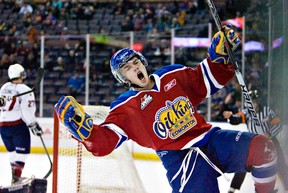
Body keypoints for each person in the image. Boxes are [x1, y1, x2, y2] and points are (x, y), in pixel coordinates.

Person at [55, 25, 278, 193]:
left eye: (135, 62)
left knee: (264, 150)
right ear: (123, 79)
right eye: (127, 69)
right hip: (180, 159)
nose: (134, 68)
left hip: (209, 139)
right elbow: (105, 141)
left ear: (142, 62)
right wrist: (84, 131)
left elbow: (205, 80)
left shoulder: (171, 74)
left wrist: (218, 58)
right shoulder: (125, 107)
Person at [224, 90, 288, 193]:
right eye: (250, 102)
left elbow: (278, 124)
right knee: (243, 164)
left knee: (281, 164)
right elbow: (237, 119)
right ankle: (232, 189)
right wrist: (230, 117)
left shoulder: (267, 111)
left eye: (254, 101)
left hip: (270, 142)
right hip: (255, 143)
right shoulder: (246, 112)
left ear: (258, 101)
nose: (253, 104)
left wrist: (269, 134)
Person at [0, 63, 43, 184]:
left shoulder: (4, 87)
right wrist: (33, 124)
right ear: (20, 74)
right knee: (22, 153)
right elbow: (26, 111)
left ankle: (14, 177)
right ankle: (17, 178)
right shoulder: (25, 89)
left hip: (3, 126)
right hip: (17, 126)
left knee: (12, 153)